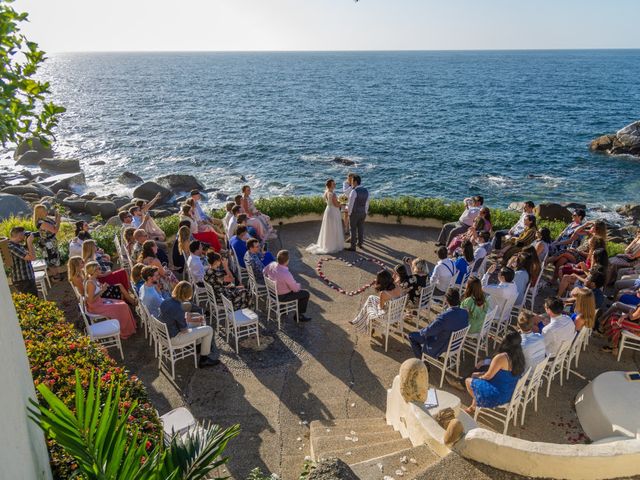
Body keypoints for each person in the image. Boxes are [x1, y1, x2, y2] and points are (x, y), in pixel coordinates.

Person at [159, 281, 219, 367]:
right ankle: (204, 359)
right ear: (187, 294)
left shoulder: (166, 301)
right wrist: (193, 325)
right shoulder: (179, 308)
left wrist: (193, 320)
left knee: (197, 317)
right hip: (174, 338)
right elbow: (184, 330)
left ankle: (198, 347)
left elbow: (175, 318)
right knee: (209, 329)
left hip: (165, 334)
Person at [464, 330, 525, 414]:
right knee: (477, 376)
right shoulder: (519, 356)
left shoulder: (501, 357)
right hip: (511, 391)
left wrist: (479, 376)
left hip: (499, 395)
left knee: (468, 380)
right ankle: (473, 406)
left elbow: (488, 376)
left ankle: (478, 404)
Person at [409, 288, 469, 359]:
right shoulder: (465, 312)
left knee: (411, 336)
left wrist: (421, 331)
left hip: (441, 345)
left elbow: (429, 332)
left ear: (446, 300)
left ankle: (422, 362)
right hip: (456, 344)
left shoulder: (444, 317)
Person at [84, 261, 136, 339]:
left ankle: (128, 327)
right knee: (122, 306)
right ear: (93, 271)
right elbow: (90, 301)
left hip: (100, 301)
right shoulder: (91, 283)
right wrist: (102, 290)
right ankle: (125, 331)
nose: (100, 269)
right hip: (96, 307)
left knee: (122, 303)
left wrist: (103, 287)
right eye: (99, 268)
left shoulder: (94, 279)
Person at [263, 250, 311, 321]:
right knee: (305, 294)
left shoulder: (272, 264)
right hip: (281, 297)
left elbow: (264, 271)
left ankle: (283, 310)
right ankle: (299, 316)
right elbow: (295, 289)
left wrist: (271, 278)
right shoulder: (286, 274)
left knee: (284, 287)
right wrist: (299, 285)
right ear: (287, 261)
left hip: (271, 292)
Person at [306, 179, 344, 254]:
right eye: (333, 184)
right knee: (333, 227)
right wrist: (343, 204)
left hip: (328, 210)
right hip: (333, 211)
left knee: (328, 227)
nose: (335, 185)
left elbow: (331, 202)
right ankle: (333, 245)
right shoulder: (333, 194)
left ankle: (326, 244)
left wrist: (339, 201)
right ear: (330, 185)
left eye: (334, 183)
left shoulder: (327, 192)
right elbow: (336, 204)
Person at [7, 226, 37, 295]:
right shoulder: (11, 247)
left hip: (27, 278)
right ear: (19, 235)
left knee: (34, 299)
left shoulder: (18, 245)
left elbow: (32, 255)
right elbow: (32, 257)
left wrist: (28, 243)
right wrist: (29, 242)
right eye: (24, 234)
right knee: (32, 302)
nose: (25, 236)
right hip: (22, 280)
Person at [33, 204, 61, 271]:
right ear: (41, 212)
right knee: (51, 260)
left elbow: (54, 224)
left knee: (54, 259)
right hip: (48, 244)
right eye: (45, 210)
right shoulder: (41, 222)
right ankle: (55, 277)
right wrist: (59, 220)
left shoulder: (45, 219)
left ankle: (57, 275)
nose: (47, 211)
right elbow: (55, 230)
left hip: (51, 242)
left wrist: (57, 216)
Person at [346, 174, 369, 251]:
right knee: (361, 228)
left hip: (354, 213)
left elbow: (350, 204)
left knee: (352, 229)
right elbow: (367, 203)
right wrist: (365, 212)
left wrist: (349, 213)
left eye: (352, 181)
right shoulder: (366, 190)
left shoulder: (354, 191)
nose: (351, 183)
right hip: (363, 213)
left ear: (355, 182)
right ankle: (360, 243)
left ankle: (353, 247)